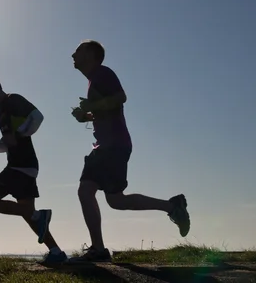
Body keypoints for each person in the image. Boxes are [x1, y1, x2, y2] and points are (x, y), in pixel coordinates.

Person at [67, 40, 191, 263]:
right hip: (104, 146)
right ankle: (100, 248)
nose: (72, 54)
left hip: (114, 145)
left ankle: (172, 207)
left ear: (91, 54)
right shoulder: (93, 79)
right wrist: (86, 116)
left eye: (77, 50)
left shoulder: (102, 73)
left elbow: (120, 98)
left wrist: (92, 107)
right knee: (99, 196)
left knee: (103, 197)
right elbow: (109, 109)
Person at [0, 74, 68, 265]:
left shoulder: (12, 99)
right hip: (22, 165)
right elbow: (9, 143)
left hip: (20, 166)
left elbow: (37, 117)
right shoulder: (2, 110)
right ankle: (56, 251)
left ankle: (38, 215)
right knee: (27, 213)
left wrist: (20, 133)